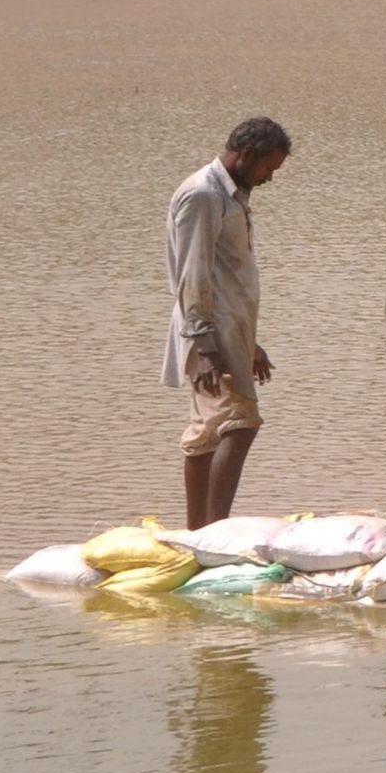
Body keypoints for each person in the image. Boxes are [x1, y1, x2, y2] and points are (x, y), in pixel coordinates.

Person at [169, 118, 291, 527]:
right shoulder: (203, 195)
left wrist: (250, 344)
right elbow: (193, 274)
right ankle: (214, 530)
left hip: (228, 333)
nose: (270, 178)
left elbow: (228, 276)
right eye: (267, 169)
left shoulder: (231, 195)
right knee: (241, 425)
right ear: (247, 155)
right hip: (210, 337)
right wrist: (206, 349)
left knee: (206, 435)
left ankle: (197, 532)